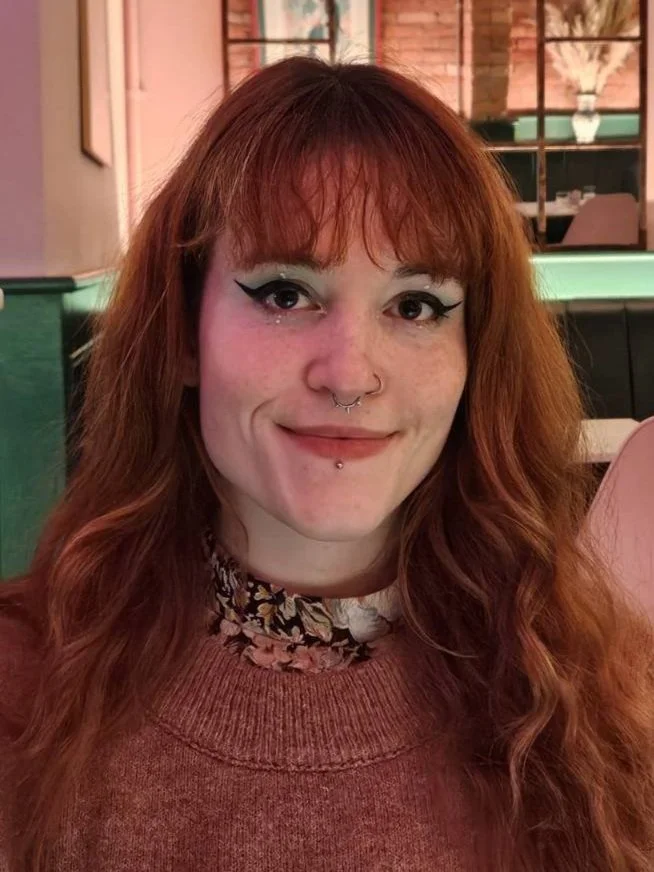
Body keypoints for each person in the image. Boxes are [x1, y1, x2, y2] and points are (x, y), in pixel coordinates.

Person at [1, 56, 653, 872]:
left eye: (415, 306)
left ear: (474, 357)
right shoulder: (23, 693)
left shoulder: (598, 695)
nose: (349, 375)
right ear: (183, 333)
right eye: (285, 294)